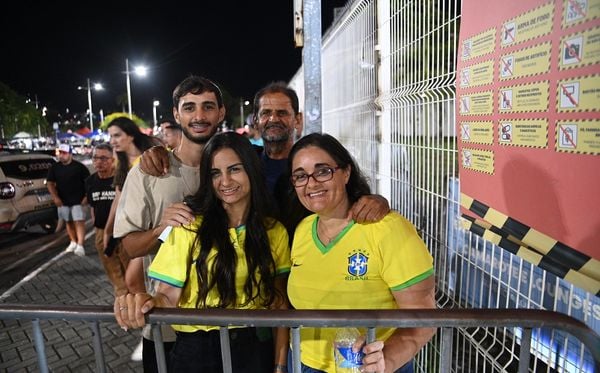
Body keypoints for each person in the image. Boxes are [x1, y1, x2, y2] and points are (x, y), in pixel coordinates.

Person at [116, 132, 290, 372]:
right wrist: (144, 302)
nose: (225, 181)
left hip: (255, 349)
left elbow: (279, 303)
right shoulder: (188, 225)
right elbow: (166, 296)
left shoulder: (274, 231)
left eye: (235, 169)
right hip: (198, 352)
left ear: (252, 169)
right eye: (215, 173)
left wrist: (280, 364)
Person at [140, 82, 390, 240]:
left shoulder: (314, 164)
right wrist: (158, 152)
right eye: (266, 113)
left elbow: (353, 196)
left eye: (282, 113)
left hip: (312, 266)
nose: (273, 119)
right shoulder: (244, 163)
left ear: (297, 119)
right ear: (256, 121)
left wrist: (376, 201)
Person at [286, 133, 436, 373]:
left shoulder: (387, 229)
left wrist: (386, 359)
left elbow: (424, 319)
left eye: (323, 171)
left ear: (346, 173)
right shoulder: (303, 231)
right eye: (301, 176)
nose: (311, 183)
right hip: (305, 365)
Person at [113, 75, 226, 372]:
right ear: (176, 114)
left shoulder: (236, 170)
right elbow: (130, 247)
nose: (199, 116)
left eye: (208, 107)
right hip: (168, 326)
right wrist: (160, 229)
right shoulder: (148, 172)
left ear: (221, 113)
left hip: (231, 322)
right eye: (189, 108)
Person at [84, 143, 129, 296]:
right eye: (95, 158)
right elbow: (93, 206)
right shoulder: (90, 181)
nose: (99, 162)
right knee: (111, 266)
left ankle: (133, 294)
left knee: (128, 266)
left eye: (103, 158)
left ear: (112, 160)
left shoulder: (120, 179)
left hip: (122, 231)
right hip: (101, 231)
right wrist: (98, 228)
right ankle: (122, 295)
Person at [46, 143, 90, 257]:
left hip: (78, 200)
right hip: (63, 200)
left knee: (79, 221)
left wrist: (86, 197)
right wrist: (55, 197)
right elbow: (50, 183)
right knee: (68, 221)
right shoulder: (55, 167)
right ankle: (73, 241)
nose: (61, 155)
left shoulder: (80, 167)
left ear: (70, 154)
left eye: (64, 153)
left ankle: (80, 245)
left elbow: (89, 182)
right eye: (60, 153)